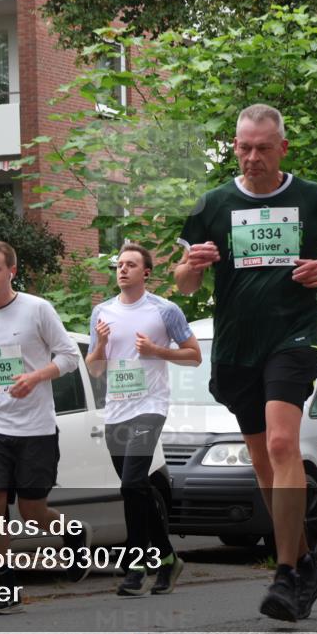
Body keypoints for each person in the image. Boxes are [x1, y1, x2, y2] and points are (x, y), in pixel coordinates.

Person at [174, 104, 317, 622]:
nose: (252, 157)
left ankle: (283, 572)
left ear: (282, 148)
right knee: (262, 462)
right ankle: (306, 567)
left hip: (293, 335)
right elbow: (183, 282)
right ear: (234, 146)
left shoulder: (311, 198)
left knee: (281, 443)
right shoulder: (214, 204)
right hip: (236, 345)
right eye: (243, 147)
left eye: (262, 148)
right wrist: (190, 266)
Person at [0, 240, 93, 615]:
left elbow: (67, 357)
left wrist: (35, 377)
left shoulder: (37, 310)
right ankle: (5, 586)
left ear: (12, 271)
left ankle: (72, 533)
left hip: (36, 428)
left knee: (32, 512)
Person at [85, 243, 202, 597]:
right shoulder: (101, 312)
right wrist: (101, 346)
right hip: (116, 409)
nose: (122, 270)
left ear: (146, 272)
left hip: (150, 405)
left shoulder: (164, 311)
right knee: (135, 488)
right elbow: (94, 369)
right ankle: (167, 559)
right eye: (119, 265)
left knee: (132, 483)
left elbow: (194, 356)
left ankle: (135, 566)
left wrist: (157, 351)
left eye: (131, 265)